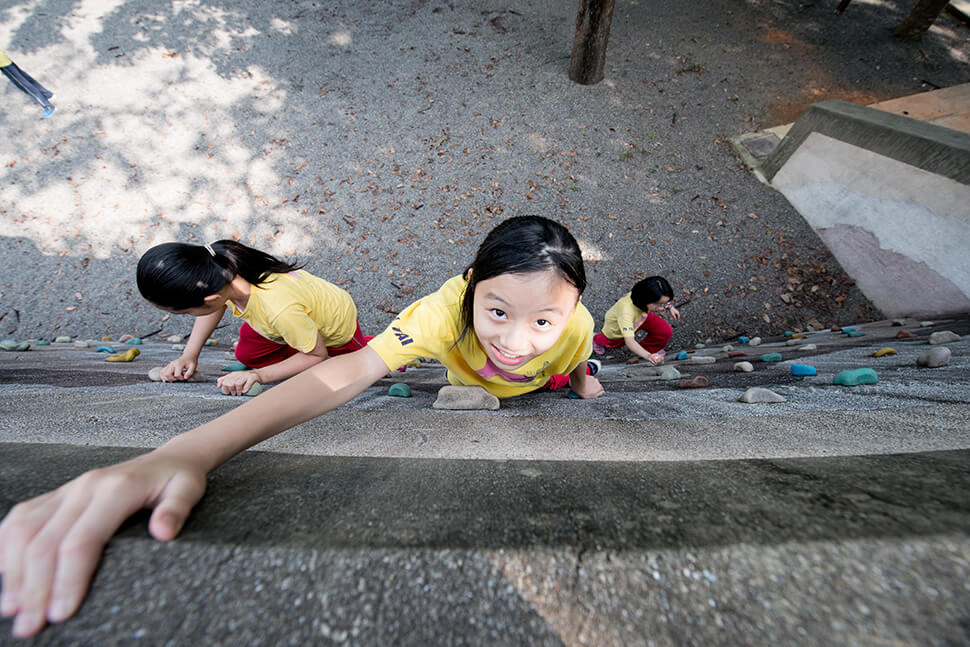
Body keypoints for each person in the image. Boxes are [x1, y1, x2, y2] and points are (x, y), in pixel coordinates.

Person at [0, 215, 604, 638]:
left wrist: (581, 380)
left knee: (555, 375)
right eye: (497, 311)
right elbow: (351, 370)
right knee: (486, 379)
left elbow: (569, 353)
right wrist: (188, 450)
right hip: (474, 378)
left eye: (544, 320)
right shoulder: (441, 312)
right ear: (471, 287)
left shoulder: (575, 327)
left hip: (540, 384)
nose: (515, 339)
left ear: (572, 311)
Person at [137, 240, 369, 395]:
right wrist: (189, 355)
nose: (189, 315)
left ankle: (370, 345)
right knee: (246, 355)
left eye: (187, 311)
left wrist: (257, 375)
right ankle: (295, 349)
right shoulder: (218, 268)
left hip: (334, 332)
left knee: (353, 369)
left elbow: (317, 354)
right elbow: (217, 305)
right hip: (281, 325)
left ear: (209, 298)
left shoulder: (278, 307)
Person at [592, 276, 680, 365]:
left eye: (664, 304)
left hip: (641, 317)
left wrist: (670, 307)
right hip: (618, 328)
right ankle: (595, 339)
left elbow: (662, 300)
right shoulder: (626, 313)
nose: (662, 308)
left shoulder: (641, 294)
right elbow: (630, 341)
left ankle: (647, 349)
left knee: (664, 331)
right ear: (646, 300)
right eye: (659, 304)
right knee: (613, 342)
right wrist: (648, 356)